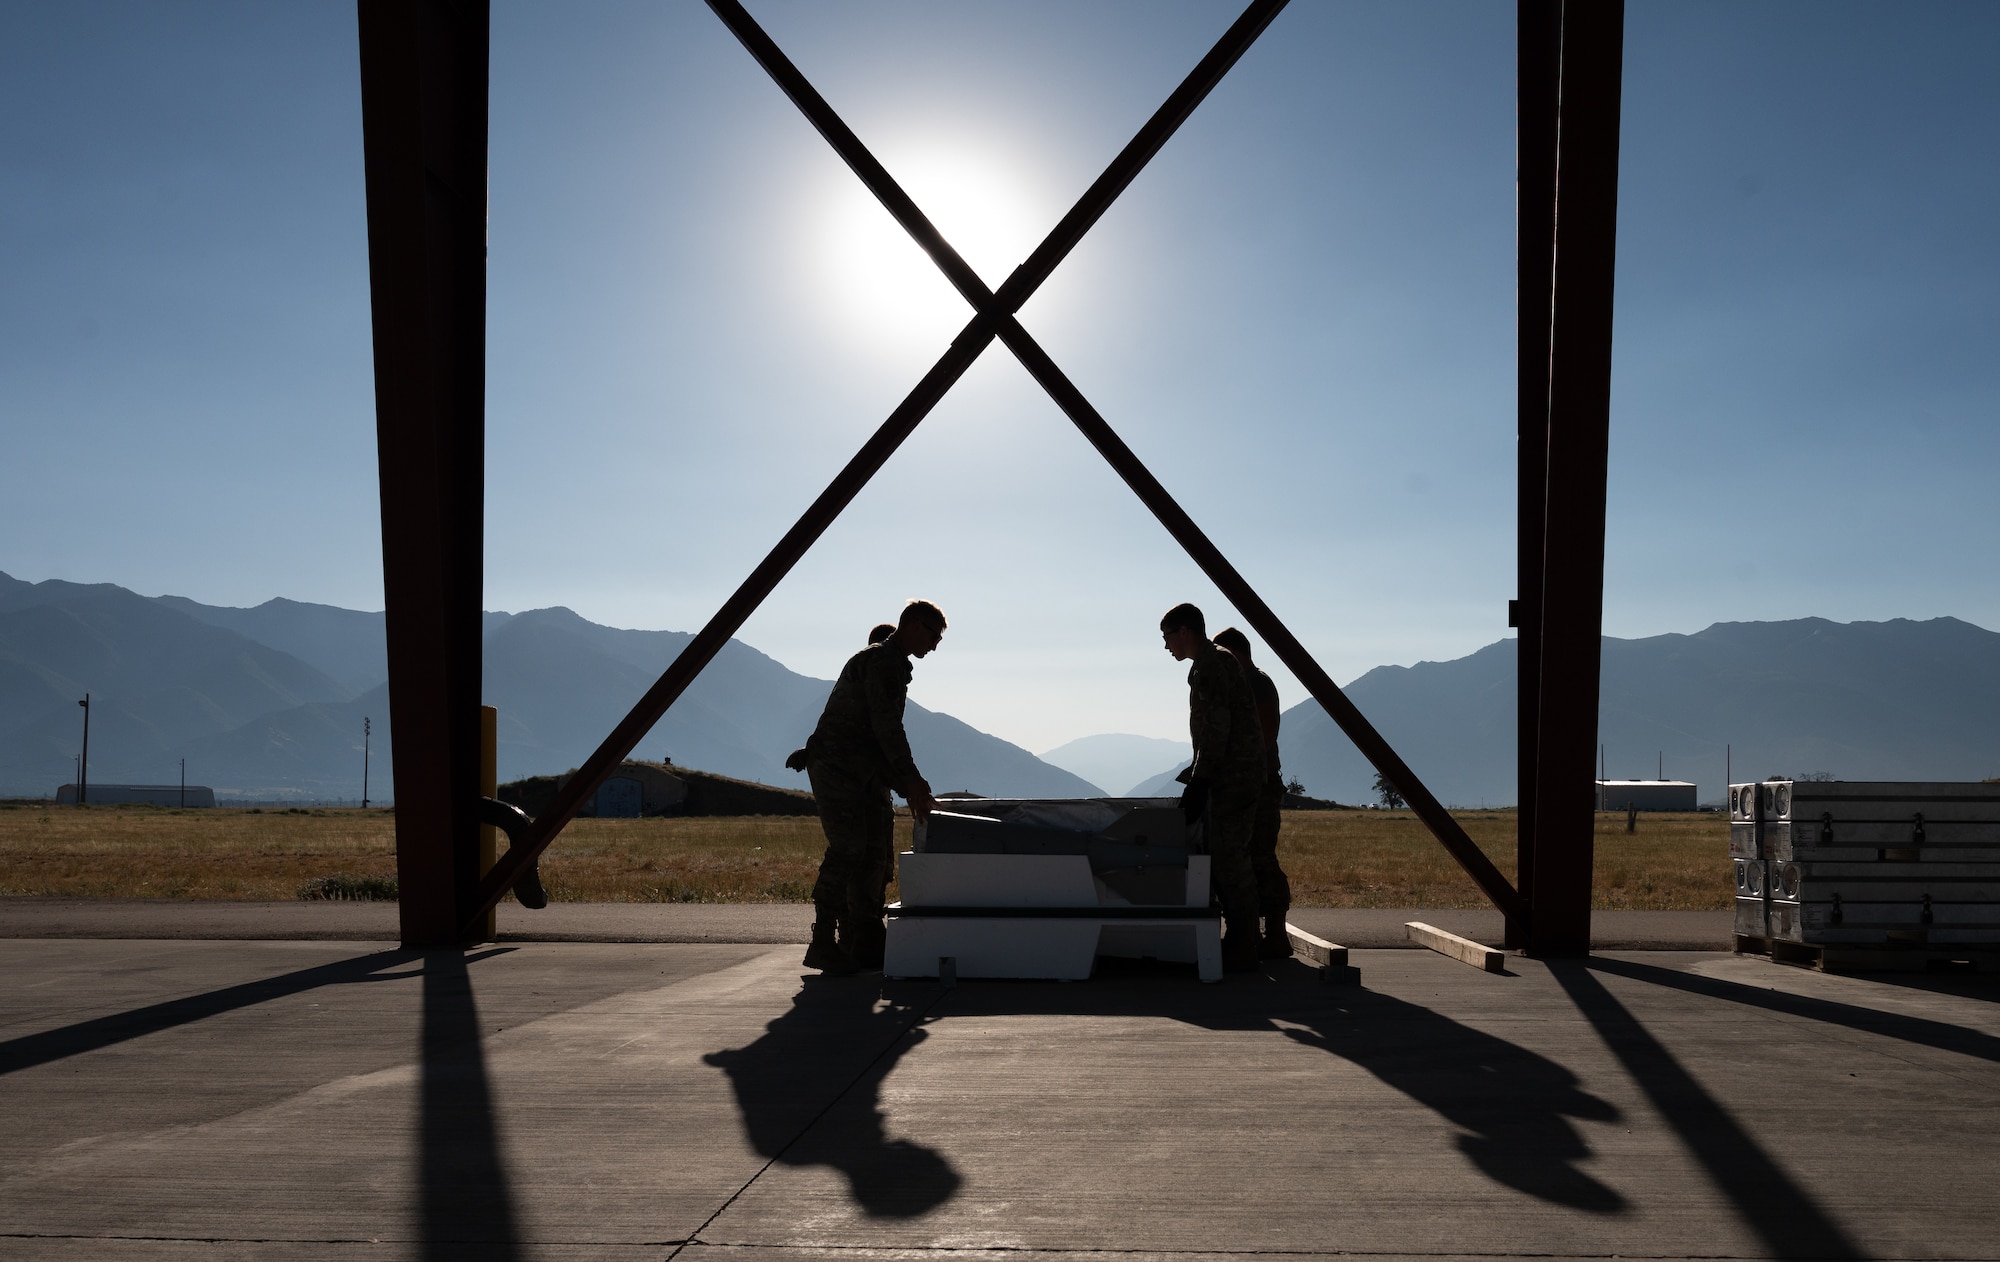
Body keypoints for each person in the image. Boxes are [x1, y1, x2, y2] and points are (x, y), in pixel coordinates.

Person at [789, 600, 945, 974]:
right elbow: (886, 728)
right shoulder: (882, 662)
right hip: (839, 767)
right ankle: (823, 942)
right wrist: (912, 780)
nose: (935, 645)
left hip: (859, 769)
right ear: (913, 625)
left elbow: (877, 739)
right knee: (849, 850)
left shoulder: (890, 664)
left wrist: (907, 784)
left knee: (873, 854)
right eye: (933, 635)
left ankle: (861, 942)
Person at [1159, 602, 1264, 972]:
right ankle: (1241, 940)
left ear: (1185, 631)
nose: (1167, 645)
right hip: (1229, 774)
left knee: (1229, 859)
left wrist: (1201, 779)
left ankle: (1242, 945)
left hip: (1231, 778)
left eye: (1168, 637)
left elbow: (1217, 726)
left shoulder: (1212, 664)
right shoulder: (1210, 663)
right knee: (1224, 856)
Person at [1212, 626, 1293, 958]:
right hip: (1250, 780)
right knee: (1250, 857)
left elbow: (1265, 736)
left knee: (1258, 856)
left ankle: (1272, 934)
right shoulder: (1246, 682)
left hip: (1258, 782)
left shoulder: (1255, 683)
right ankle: (1263, 935)